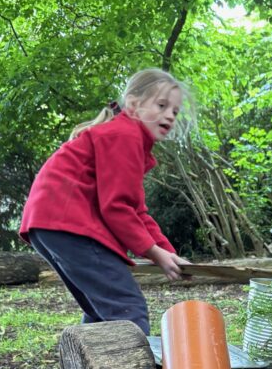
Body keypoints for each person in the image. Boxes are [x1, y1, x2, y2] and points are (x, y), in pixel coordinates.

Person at [20, 67, 191, 336]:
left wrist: (166, 252)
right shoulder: (125, 135)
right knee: (127, 310)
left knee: (101, 312)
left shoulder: (126, 138)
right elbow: (116, 208)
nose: (170, 114)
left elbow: (137, 211)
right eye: (161, 105)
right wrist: (154, 252)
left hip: (48, 224)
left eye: (175, 111)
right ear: (134, 105)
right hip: (67, 223)